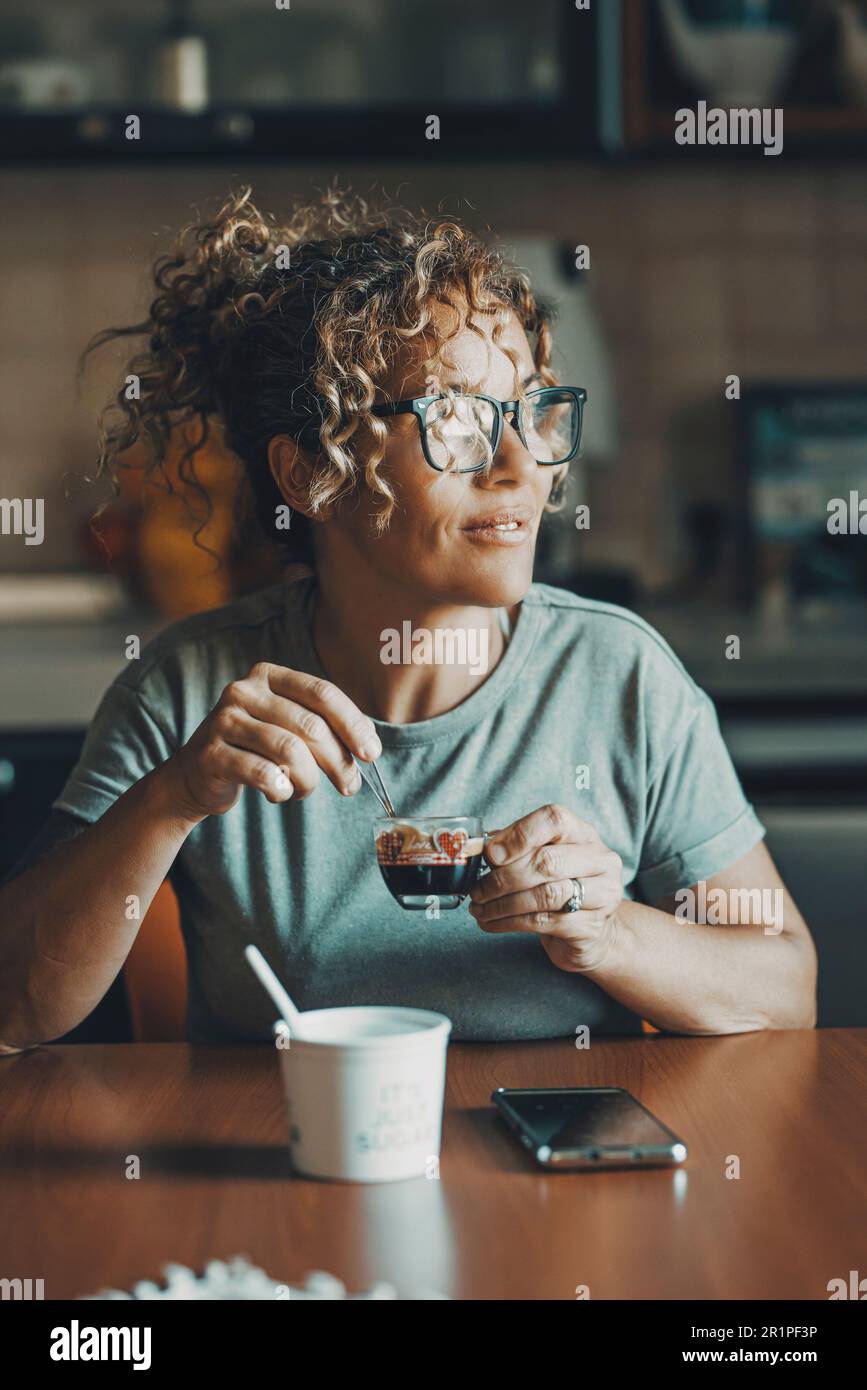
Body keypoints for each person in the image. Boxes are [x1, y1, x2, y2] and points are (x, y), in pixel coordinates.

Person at [0, 185, 816, 1052]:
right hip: (277, 1174)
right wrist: (171, 800)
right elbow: (11, 1011)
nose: (517, 466)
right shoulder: (188, 691)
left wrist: (610, 934)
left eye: (530, 411)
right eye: (455, 419)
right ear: (312, 471)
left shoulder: (622, 677)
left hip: (557, 1176)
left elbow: (786, 988)